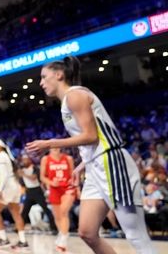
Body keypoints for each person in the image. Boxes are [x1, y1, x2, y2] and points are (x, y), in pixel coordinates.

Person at [27, 56, 155, 254]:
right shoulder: (66, 102)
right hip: (95, 167)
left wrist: (50, 143)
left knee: (135, 234)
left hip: (113, 164)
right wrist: (81, 166)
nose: (41, 83)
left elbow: (91, 136)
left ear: (59, 75)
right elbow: (94, 140)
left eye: (44, 77)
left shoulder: (75, 95)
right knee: (87, 232)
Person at [0, 138, 30, 250]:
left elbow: (2, 176)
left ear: (0, 146)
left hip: (6, 187)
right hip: (14, 186)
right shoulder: (8, 156)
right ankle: (23, 241)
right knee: (16, 214)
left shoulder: (0, 157)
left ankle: (4, 239)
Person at [40, 147, 76, 252]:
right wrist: (51, 183)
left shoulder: (68, 158)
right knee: (58, 216)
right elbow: (42, 177)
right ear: (49, 148)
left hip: (67, 188)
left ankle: (63, 240)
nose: (55, 148)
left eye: (57, 145)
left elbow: (73, 175)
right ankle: (62, 233)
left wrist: (77, 188)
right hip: (54, 189)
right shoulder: (45, 159)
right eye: (53, 146)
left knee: (64, 212)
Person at [19, 154, 56, 234]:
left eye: (25, 159)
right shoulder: (22, 169)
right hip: (29, 191)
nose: (24, 161)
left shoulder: (35, 168)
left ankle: (54, 227)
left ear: (29, 160)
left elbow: (33, 178)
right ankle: (19, 227)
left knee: (45, 209)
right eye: (23, 160)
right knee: (25, 210)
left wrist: (23, 174)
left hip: (37, 191)